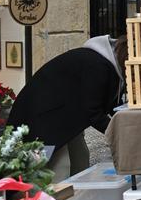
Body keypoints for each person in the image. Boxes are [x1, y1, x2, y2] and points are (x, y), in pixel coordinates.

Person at [8, 35, 127, 181]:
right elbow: (94, 112)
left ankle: (77, 195)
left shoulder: (109, 66)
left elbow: (112, 107)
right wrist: (120, 133)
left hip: (66, 118)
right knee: (60, 168)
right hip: (44, 118)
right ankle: (54, 195)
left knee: (80, 161)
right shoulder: (97, 66)